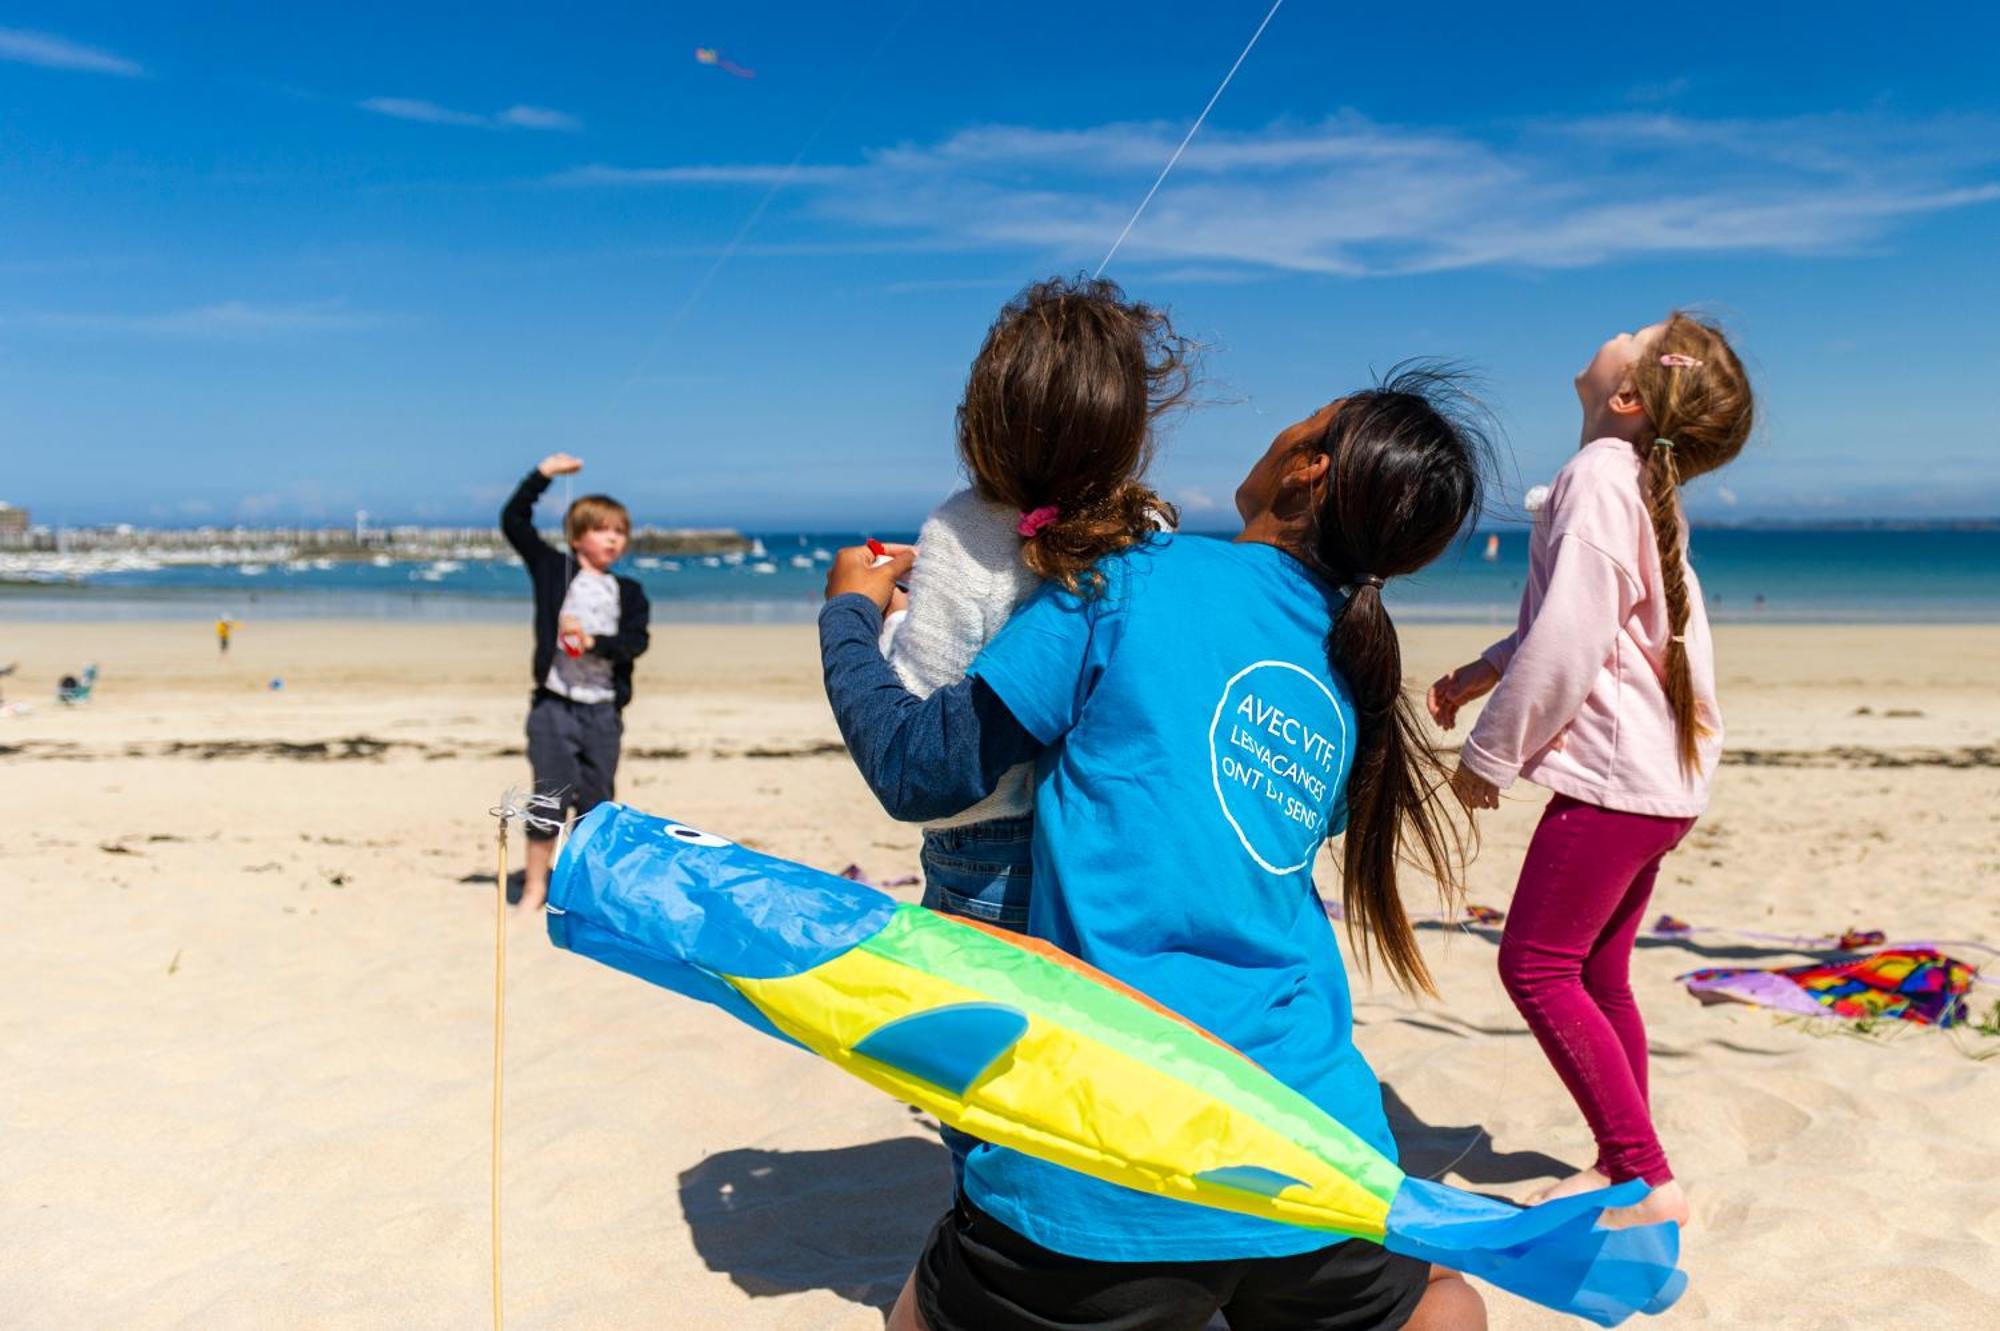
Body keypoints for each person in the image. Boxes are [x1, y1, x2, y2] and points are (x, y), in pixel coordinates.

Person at [820, 367, 1494, 1331]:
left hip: (1104, 1162)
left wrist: (850, 613)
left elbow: (920, 770)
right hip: (1310, 1145)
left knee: (913, 1315)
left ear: (1308, 468)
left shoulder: (1133, 577)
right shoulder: (1351, 674)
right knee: (1444, 1301)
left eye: (1302, 415)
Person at [1428, 313, 1754, 1230]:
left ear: (1628, 397)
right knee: (1599, 973)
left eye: (1636, 333)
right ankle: (1625, 1160)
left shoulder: (1601, 478)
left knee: (1534, 963)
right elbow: (1586, 622)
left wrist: (1490, 750)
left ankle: (1643, 1177)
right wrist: (1486, 669)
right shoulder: (1630, 483)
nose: (1616, 327)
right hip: (1658, 784)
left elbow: (1572, 643)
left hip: (1618, 786)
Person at [879, 275, 1191, 1179]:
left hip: (983, 855)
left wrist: (882, 618)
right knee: (1082, 1067)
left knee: (983, 1089)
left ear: (984, 415)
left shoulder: (962, 529)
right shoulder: (1149, 526)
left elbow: (924, 706)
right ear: (1127, 427)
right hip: (1103, 845)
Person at [501, 452, 651, 910]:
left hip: (603, 709)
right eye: (603, 529)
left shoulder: (629, 592)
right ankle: (534, 887)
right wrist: (543, 474)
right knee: (549, 794)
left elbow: (635, 642)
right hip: (554, 706)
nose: (614, 538)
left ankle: (585, 892)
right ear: (578, 535)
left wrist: (593, 643)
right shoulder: (553, 570)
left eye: (621, 531)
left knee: (597, 802)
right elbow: (514, 521)